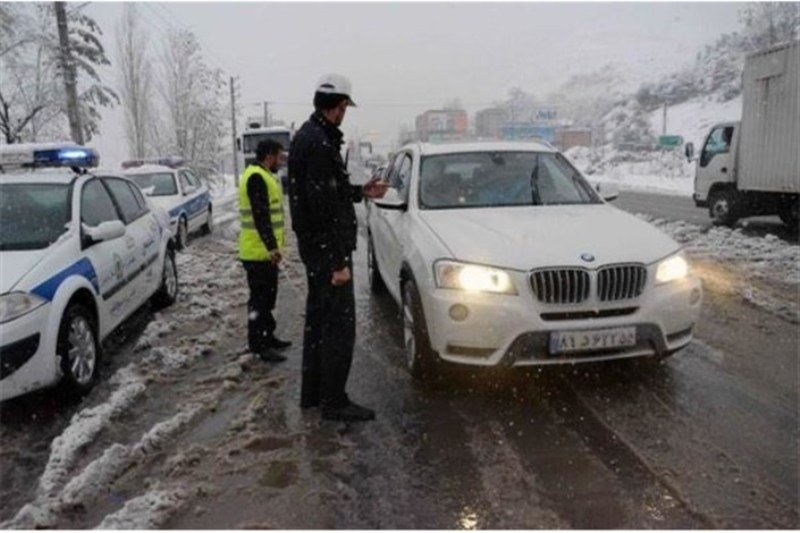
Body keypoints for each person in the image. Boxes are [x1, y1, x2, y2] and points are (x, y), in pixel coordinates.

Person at [288, 73, 388, 422]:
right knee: (337, 330)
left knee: (318, 325)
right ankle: (334, 401)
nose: (345, 113)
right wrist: (336, 262)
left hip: (318, 253)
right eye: (345, 107)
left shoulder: (311, 137)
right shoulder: (318, 143)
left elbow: (328, 193)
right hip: (327, 255)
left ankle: (313, 396)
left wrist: (361, 191)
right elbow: (320, 209)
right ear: (339, 106)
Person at [238, 139, 292, 363]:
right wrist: (271, 247)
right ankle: (259, 345)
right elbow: (261, 216)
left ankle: (268, 337)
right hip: (258, 253)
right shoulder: (256, 177)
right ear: (269, 156)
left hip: (264, 252)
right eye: (279, 157)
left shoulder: (264, 175)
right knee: (259, 301)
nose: (281, 161)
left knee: (268, 298)